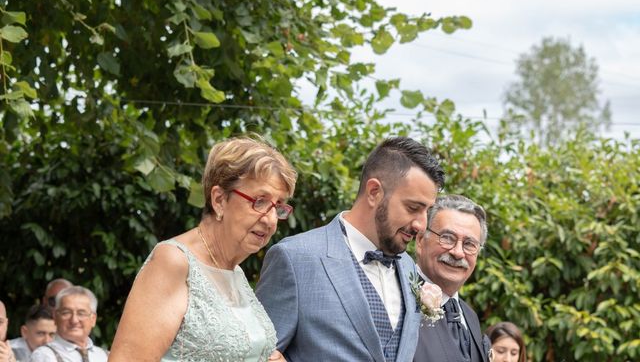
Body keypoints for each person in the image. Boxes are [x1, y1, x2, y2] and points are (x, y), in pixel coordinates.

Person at [109, 135, 297, 362]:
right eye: (260, 201)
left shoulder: (234, 272)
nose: (271, 220)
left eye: (278, 206)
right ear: (219, 199)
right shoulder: (173, 261)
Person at [256, 136, 445, 361]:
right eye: (413, 207)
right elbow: (260, 354)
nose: (421, 225)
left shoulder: (408, 268)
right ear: (374, 192)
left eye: (427, 211)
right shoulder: (295, 258)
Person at [413, 195, 492, 362]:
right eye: (447, 238)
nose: (458, 252)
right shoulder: (396, 300)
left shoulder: (470, 316)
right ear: (420, 241)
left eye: (469, 244)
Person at [30, 285, 108, 362]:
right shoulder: (44, 356)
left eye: (81, 313)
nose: (74, 320)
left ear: (93, 319)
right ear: (55, 317)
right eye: (66, 313)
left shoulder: (104, 356)